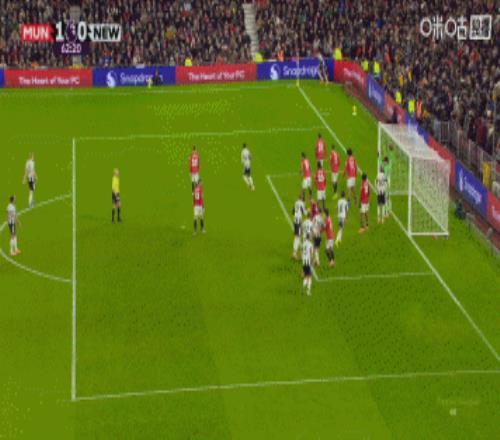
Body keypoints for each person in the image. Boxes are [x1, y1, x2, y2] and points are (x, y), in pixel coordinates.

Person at [292, 194, 307, 260]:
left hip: (295, 221)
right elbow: (305, 213)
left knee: (296, 236)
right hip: (298, 222)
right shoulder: (302, 203)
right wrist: (308, 211)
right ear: (303, 198)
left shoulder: (296, 202)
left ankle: (294, 253)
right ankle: (294, 254)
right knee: (298, 237)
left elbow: (293, 211)